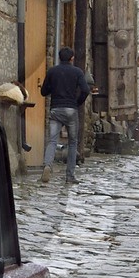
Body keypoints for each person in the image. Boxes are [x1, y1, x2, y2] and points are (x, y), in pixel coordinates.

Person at [40, 46, 90, 184]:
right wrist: (77, 103)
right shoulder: (77, 72)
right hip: (71, 110)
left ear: (59, 57)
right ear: (72, 58)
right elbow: (85, 90)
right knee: (73, 143)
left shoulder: (52, 71)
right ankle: (70, 176)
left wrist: (53, 87)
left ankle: (47, 165)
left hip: (56, 109)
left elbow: (44, 92)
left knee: (52, 141)